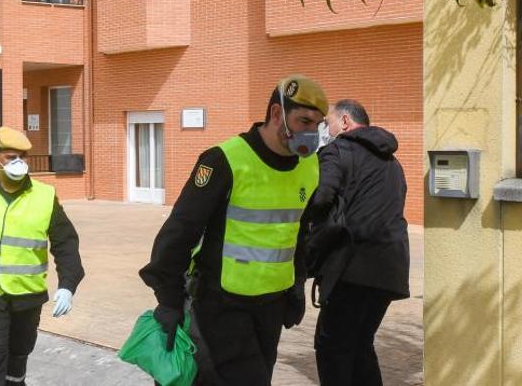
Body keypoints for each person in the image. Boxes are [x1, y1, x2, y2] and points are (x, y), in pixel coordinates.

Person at [140, 75, 328, 385]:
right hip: (220, 306)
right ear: (277, 114)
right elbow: (180, 232)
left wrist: (296, 287)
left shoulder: (310, 167)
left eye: (316, 125)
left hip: (270, 308)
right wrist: (168, 300)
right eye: (303, 121)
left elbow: (298, 234)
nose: (310, 132)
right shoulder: (225, 160)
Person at [0, 126, 84, 386]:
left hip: (28, 298)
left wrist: (68, 285)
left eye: (23, 157)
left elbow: (66, 242)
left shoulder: (44, 196)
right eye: (10, 157)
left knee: (17, 365)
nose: (18, 163)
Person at [302, 99, 410, 386]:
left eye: (329, 122)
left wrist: (304, 223)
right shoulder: (392, 162)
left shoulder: (337, 150)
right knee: (360, 345)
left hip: (351, 266)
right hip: (390, 269)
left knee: (332, 347)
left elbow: (322, 196)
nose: (326, 128)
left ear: (346, 122)